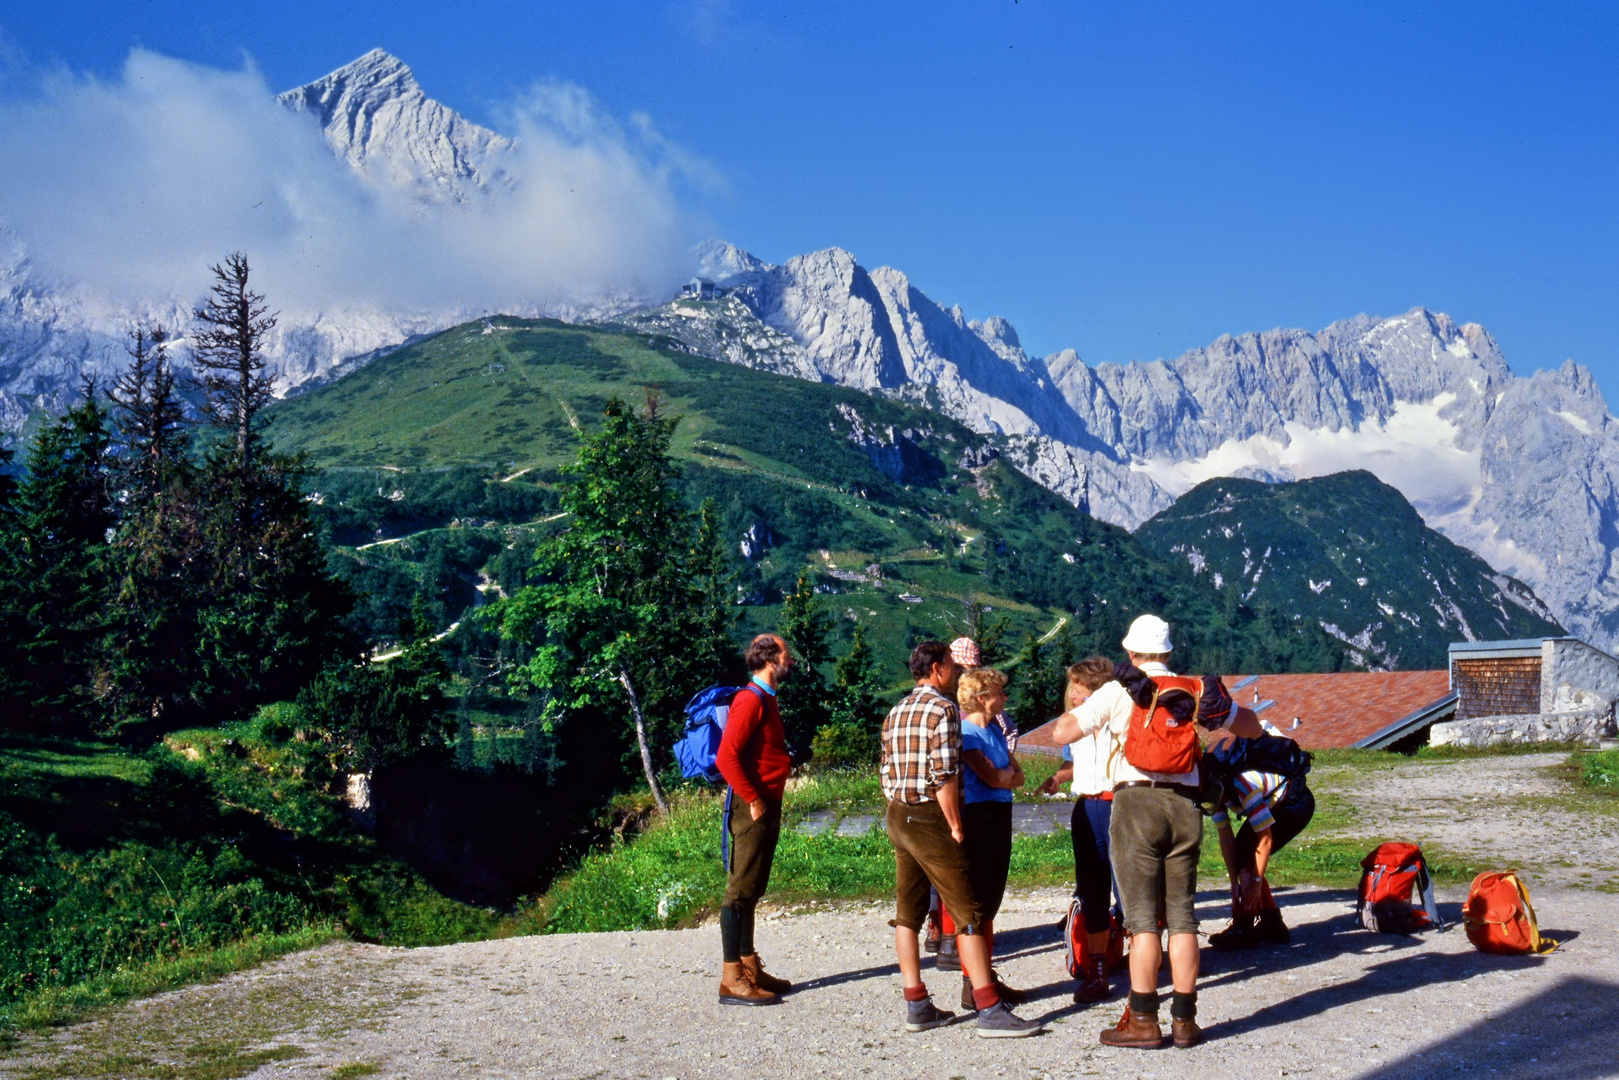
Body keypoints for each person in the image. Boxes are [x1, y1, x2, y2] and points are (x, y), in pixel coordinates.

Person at [1048, 614, 1204, 1049]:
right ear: (1168, 652)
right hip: (1186, 803)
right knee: (1183, 917)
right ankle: (1186, 1021)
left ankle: (1142, 1019)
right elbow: (1244, 726)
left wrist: (1089, 713)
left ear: (1131, 653)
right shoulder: (1193, 689)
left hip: (1135, 803)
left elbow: (1063, 730)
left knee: (1140, 922)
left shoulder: (1119, 691)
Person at [881, 641, 1044, 1038]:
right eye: (951, 666)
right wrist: (954, 823)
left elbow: (886, 768)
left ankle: (916, 1003)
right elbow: (945, 774)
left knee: (908, 912)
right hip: (930, 816)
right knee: (969, 911)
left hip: (898, 812)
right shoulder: (944, 710)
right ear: (937, 669)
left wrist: (899, 803)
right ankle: (988, 1008)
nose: (955, 673)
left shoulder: (896, 710)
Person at [713, 633, 795, 1005]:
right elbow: (726, 758)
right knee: (739, 891)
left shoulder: (766, 699)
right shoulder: (750, 701)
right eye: (785, 654)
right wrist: (753, 798)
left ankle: (748, 966)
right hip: (753, 806)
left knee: (753, 889)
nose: (789, 661)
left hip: (764, 802)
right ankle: (732, 977)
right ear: (769, 659)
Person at [1201, 699, 1317, 949]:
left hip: (1295, 804)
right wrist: (1234, 884)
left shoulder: (1243, 786)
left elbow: (1265, 839)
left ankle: (1245, 925)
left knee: (1249, 858)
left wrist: (1253, 883)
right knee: (1243, 856)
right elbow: (1225, 838)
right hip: (1273, 802)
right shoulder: (1211, 792)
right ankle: (1272, 924)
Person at [1038, 656, 1121, 1004]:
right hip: (1088, 804)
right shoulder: (1078, 722)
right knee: (1092, 889)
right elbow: (1074, 756)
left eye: (1080, 686)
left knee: (1131, 889)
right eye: (1071, 685)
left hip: (1118, 802)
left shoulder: (1117, 715)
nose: (1072, 692)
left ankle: (1152, 954)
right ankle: (1097, 967)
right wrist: (1059, 776)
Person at [955, 667, 1027, 1011]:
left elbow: (1017, 776)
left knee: (992, 900)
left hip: (999, 815)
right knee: (979, 901)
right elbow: (996, 778)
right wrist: (1004, 777)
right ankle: (974, 982)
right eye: (1000, 692)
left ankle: (983, 977)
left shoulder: (996, 730)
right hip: (980, 817)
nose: (1005, 697)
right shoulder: (967, 734)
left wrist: (1004, 777)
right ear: (983, 698)